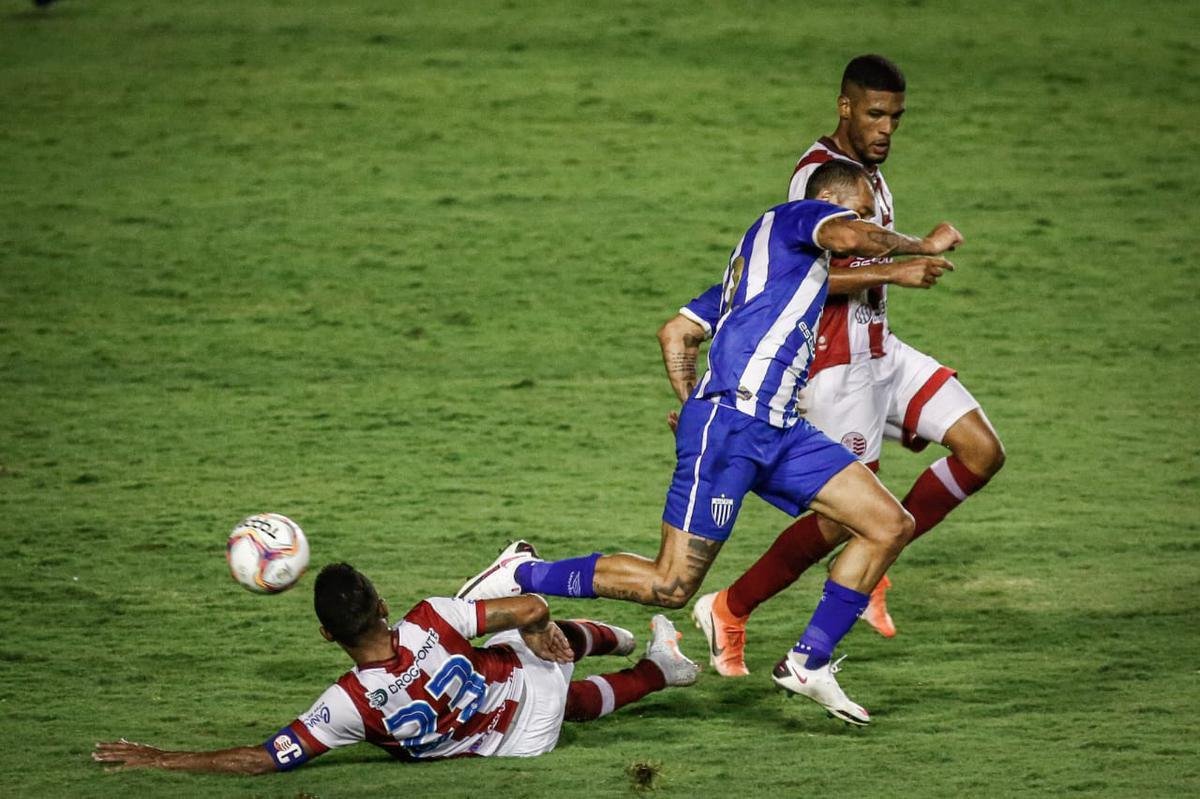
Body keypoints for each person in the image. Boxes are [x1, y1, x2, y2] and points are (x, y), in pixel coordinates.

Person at [458, 159, 963, 725]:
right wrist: (918, 244)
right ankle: (520, 574)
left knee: (888, 523)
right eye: (864, 212)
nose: (866, 230)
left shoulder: (769, 275)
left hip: (777, 430)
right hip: (732, 427)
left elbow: (676, 331)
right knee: (671, 584)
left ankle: (809, 662)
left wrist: (694, 401)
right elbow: (849, 233)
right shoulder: (796, 217)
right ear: (834, 206)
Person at [659, 54, 1006, 677]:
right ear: (844, 107)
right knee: (842, 519)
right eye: (875, 114)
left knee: (980, 451)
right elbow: (815, 273)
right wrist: (902, 265)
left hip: (880, 348)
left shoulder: (868, 173)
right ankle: (730, 608)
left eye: (896, 117)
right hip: (832, 363)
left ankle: (876, 566)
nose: (887, 129)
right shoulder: (815, 179)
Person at [92, 563, 698, 774]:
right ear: (382, 607)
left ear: (327, 634)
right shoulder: (426, 620)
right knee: (514, 603)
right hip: (523, 696)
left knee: (522, 654)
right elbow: (534, 608)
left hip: (513, 749)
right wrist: (539, 625)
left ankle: (661, 671)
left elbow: (262, 759)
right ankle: (623, 643)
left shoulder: (345, 705)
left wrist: (163, 757)